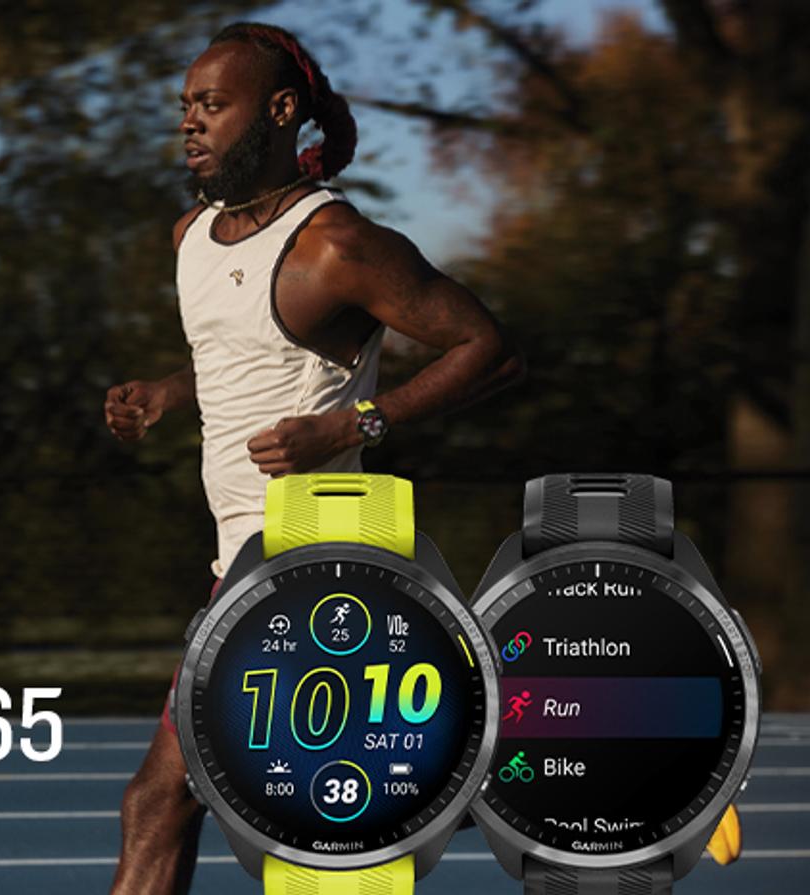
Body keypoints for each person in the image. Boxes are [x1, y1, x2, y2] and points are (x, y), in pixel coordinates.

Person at [103, 22, 526, 895]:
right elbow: (242, 350)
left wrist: (354, 426)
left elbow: (487, 347)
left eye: (213, 106)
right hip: (241, 562)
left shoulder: (334, 244)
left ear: (281, 110)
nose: (190, 123)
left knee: (222, 815)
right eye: (186, 106)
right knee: (191, 808)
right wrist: (166, 392)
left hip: (314, 567)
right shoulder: (192, 236)